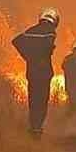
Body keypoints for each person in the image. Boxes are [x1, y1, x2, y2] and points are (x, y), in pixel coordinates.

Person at [13, 7, 59, 136]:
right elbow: (48, 46)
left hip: (32, 71)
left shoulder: (30, 30)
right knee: (42, 100)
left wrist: (28, 56)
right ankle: (37, 128)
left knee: (33, 100)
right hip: (44, 72)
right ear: (54, 20)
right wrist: (47, 51)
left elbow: (16, 41)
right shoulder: (50, 31)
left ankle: (33, 127)